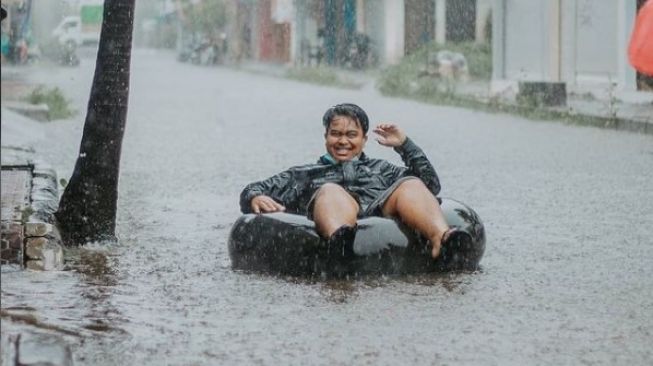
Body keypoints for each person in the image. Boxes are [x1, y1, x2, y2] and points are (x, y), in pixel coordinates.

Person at [239, 103, 471, 260]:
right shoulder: (304, 174)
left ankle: (444, 239)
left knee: (410, 184)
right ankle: (340, 245)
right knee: (331, 190)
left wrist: (404, 144)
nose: (342, 141)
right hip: (334, 218)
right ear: (326, 137)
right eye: (335, 134)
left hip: (377, 210)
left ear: (364, 139)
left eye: (351, 135)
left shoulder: (382, 169)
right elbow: (255, 188)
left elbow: (430, 185)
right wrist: (254, 197)